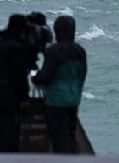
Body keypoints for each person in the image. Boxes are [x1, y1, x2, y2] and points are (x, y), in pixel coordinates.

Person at [31, 15, 87, 154]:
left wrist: (34, 77)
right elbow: (82, 74)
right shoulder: (80, 51)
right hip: (73, 100)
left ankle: (63, 162)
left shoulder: (55, 51)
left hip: (55, 101)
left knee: (59, 139)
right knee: (70, 135)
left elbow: (45, 77)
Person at [0, 13, 32, 152]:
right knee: (9, 136)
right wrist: (24, 97)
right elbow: (20, 75)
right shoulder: (17, 48)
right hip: (10, 98)